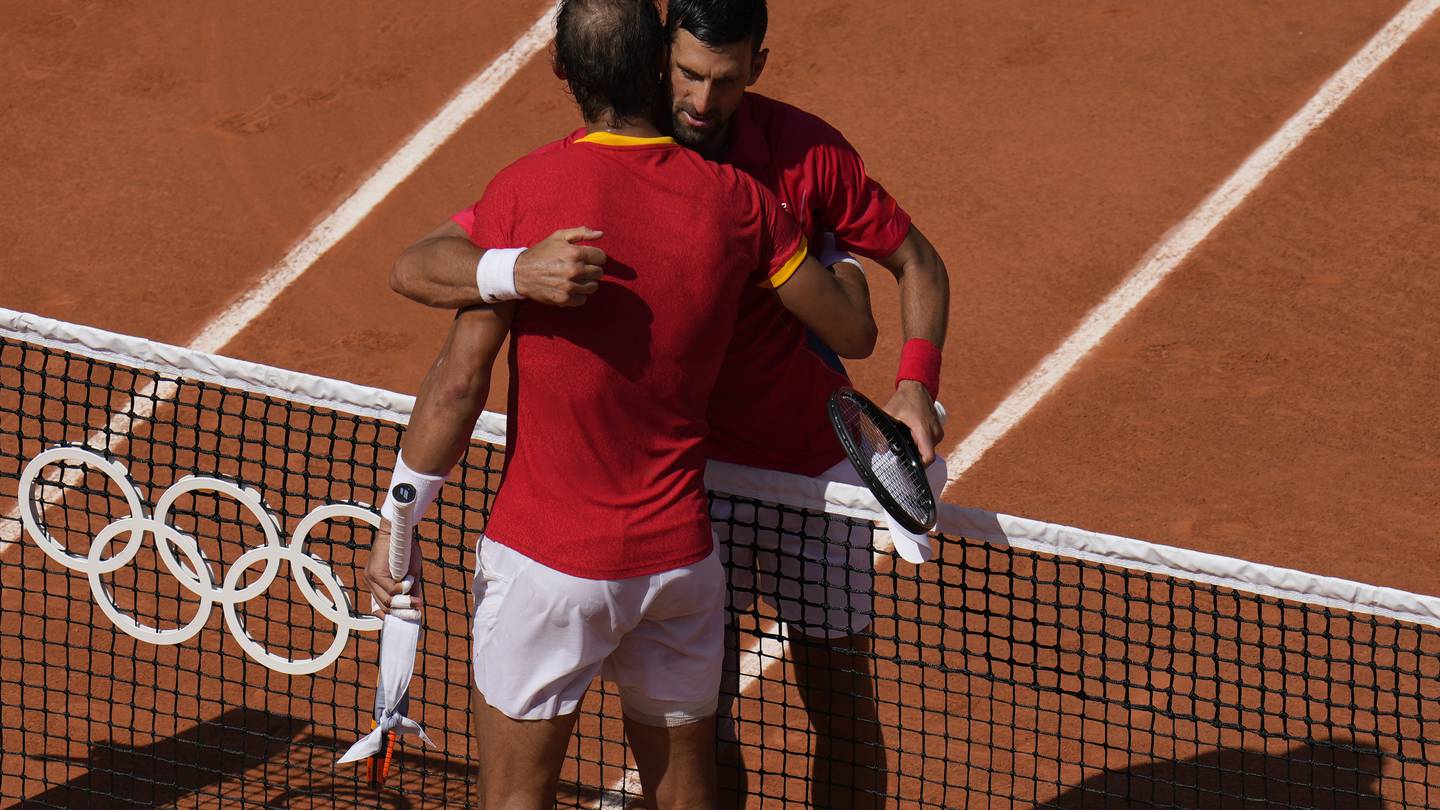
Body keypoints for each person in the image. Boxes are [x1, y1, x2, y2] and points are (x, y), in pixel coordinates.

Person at [389, 2, 952, 806]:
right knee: (703, 727)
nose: (702, 99)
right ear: (659, 61)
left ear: (756, 67)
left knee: (839, 697)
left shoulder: (806, 158)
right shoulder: (642, 184)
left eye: (724, 81)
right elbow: (432, 260)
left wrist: (917, 383)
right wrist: (516, 270)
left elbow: (914, 264)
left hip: (810, 475)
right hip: (697, 488)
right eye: (688, 74)